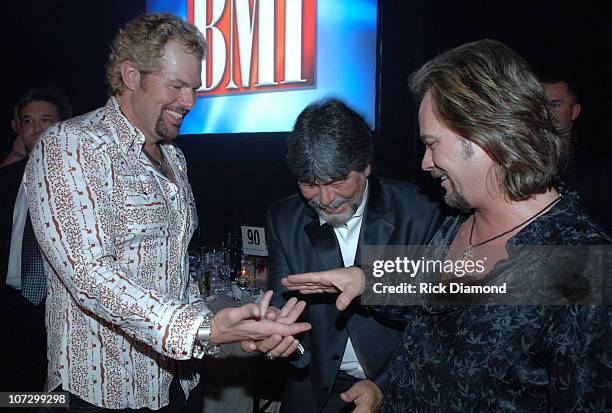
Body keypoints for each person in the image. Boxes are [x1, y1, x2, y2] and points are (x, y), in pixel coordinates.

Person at [281, 40, 612, 411]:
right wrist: (364, 279)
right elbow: (438, 291)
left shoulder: (581, 262)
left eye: (432, 144)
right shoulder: (459, 225)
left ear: (485, 133)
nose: (425, 163)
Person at [25, 13, 310, 412]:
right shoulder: (70, 145)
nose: (190, 101)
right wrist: (201, 329)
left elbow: (173, 278)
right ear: (131, 76)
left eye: (194, 88)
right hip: (98, 392)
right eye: (176, 85)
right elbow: (88, 272)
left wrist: (231, 323)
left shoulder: (175, 159)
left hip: (179, 383)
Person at [254, 98, 442, 413]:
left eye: (337, 181)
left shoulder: (420, 212)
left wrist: (384, 385)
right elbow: (283, 309)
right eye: (310, 184)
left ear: (366, 165)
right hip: (314, 391)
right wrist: (280, 341)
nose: (325, 200)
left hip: (399, 385)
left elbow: (435, 323)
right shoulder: (283, 219)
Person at [0, 87, 71, 399]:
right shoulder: (6, 179)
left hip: (62, 307)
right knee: (14, 396)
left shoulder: (81, 180)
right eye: (28, 122)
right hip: (11, 308)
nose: (36, 129)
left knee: (60, 397)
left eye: (46, 120)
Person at [540, 72, 612, 234]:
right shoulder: (516, 165)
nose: (546, 113)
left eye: (555, 105)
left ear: (574, 111)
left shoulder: (599, 175)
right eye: (540, 105)